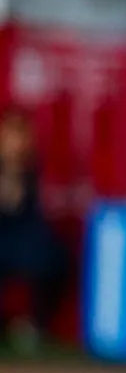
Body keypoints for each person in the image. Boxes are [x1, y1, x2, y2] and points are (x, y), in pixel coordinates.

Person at [0, 110, 64, 351]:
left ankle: (35, 326)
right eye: (11, 135)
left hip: (21, 243)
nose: (16, 143)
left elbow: (31, 217)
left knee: (52, 257)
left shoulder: (32, 169)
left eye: (21, 135)